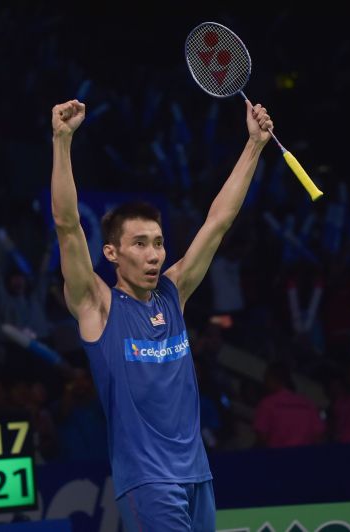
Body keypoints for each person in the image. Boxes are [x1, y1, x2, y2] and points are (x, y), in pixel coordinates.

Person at [50, 98, 273, 531]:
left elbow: (218, 221)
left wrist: (255, 145)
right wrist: (62, 141)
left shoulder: (173, 293)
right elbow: (66, 225)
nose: (153, 255)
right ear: (111, 252)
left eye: (158, 243)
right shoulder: (97, 306)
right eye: (139, 244)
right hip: (148, 482)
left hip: (198, 476)